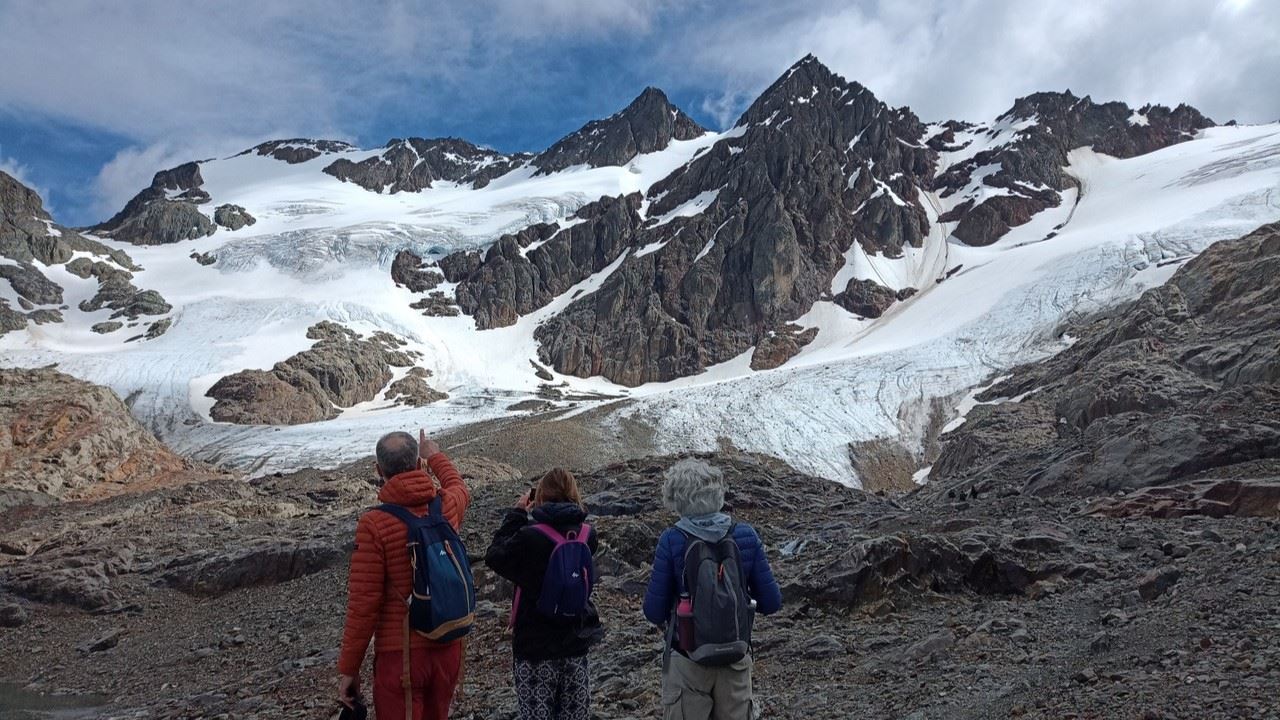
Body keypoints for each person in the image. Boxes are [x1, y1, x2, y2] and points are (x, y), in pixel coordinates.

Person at [337, 429, 471, 720]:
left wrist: (350, 669)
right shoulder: (446, 505)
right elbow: (459, 486)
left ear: (378, 470)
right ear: (419, 464)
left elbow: (364, 605)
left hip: (402, 657)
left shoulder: (374, 524)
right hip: (449, 646)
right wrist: (435, 455)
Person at [642, 459, 783, 720]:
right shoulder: (745, 535)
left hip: (687, 659)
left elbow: (653, 611)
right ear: (717, 492)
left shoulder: (672, 540)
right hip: (735, 657)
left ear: (676, 498)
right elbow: (772, 602)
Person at [485, 468, 604, 720]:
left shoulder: (529, 537)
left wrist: (518, 514)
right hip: (576, 642)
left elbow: (495, 556)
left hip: (535, 647)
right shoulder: (587, 535)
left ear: (539, 495)